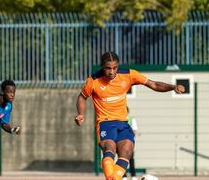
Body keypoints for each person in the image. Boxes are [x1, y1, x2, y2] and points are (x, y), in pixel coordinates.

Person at [75, 51, 185, 180]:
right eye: (108, 68)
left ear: (118, 66)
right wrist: (81, 114)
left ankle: (113, 178)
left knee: (127, 150)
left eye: (114, 68)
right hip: (105, 123)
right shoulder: (93, 81)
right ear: (102, 66)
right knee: (109, 147)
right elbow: (82, 97)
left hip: (123, 123)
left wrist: (173, 87)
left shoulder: (128, 75)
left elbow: (153, 84)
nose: (111, 72)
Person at [123, 107, 138, 180]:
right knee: (122, 158)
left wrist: (132, 140)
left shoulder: (132, 119)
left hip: (130, 141)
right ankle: (124, 175)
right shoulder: (119, 120)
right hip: (121, 142)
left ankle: (133, 175)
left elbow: (135, 130)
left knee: (131, 158)